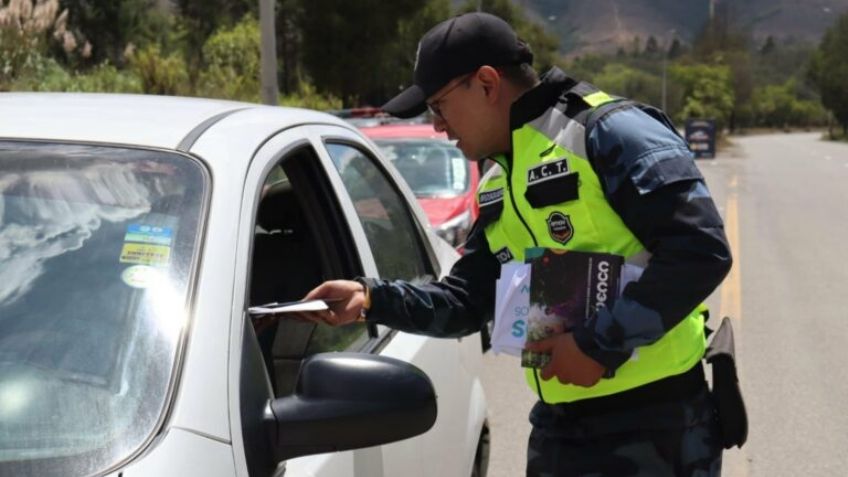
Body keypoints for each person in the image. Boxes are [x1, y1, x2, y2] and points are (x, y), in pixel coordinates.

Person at [300, 12, 731, 477]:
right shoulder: (496, 183)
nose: (438, 127)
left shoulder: (609, 133)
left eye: (439, 107)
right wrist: (370, 299)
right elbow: (467, 300)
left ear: (486, 84)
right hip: (561, 426)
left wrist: (597, 345)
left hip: (658, 424)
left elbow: (700, 251)